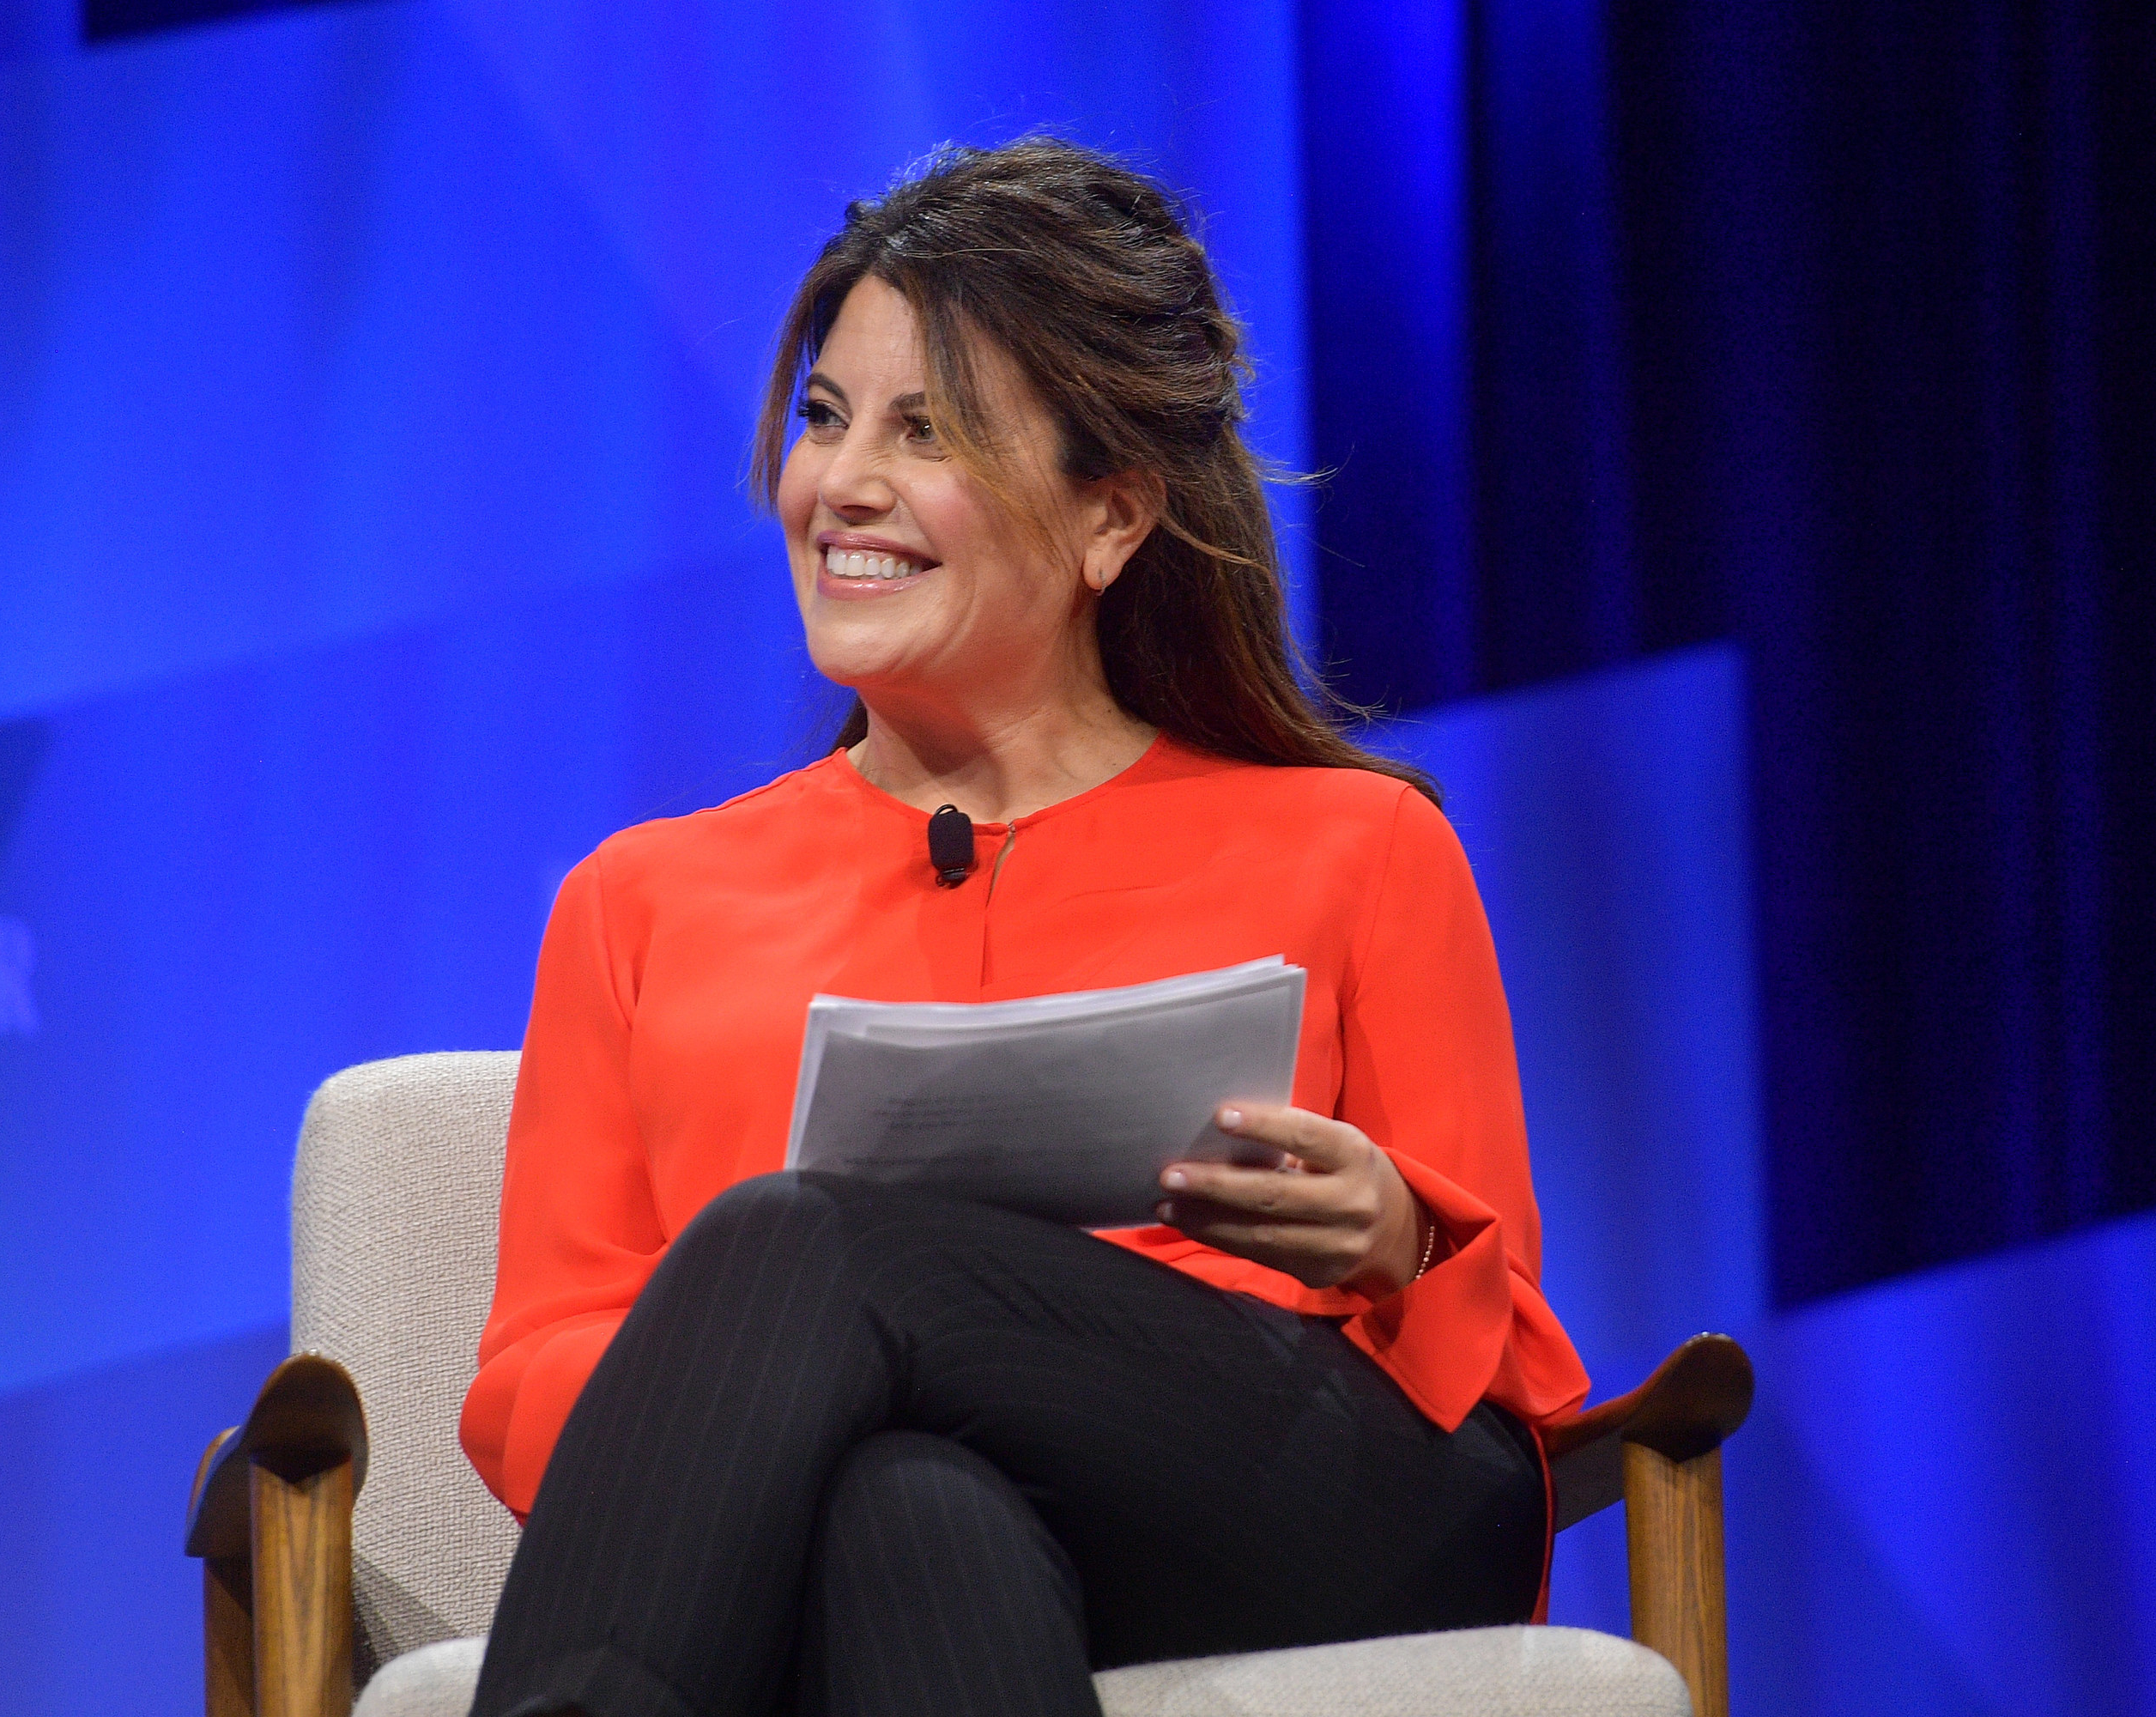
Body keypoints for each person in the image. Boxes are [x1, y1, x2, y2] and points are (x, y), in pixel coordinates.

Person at [460, 138, 1590, 1717]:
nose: (839, 484)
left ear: (1109, 518)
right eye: (825, 419)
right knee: (910, 1515)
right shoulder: (639, 902)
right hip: (873, 1520)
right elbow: (531, 1376)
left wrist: (1398, 1240)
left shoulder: (1360, 846)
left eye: (927, 433)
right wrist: (784, 1394)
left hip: (1304, 1502)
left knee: (804, 1242)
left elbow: (1516, 1360)